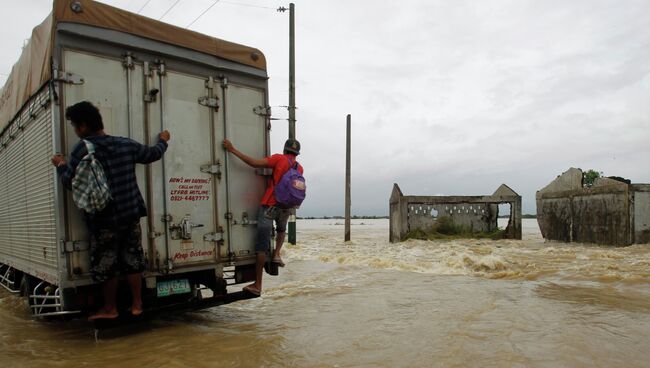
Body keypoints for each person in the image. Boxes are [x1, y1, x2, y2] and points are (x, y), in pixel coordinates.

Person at [51, 101, 170, 320]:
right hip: (130, 214)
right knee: (133, 261)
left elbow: (70, 182)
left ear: (84, 126)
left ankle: (110, 309)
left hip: (103, 219)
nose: (76, 131)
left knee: (108, 266)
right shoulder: (125, 144)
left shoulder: (82, 148)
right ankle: (137, 305)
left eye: (75, 127)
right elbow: (152, 154)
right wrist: (163, 141)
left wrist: (60, 164)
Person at [222, 138, 303, 296]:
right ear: (297, 153)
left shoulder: (279, 158)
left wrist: (233, 150)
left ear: (285, 149)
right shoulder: (299, 168)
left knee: (261, 246)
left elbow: (254, 163)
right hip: (286, 207)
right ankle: (277, 254)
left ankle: (258, 285)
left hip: (270, 204)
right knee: (281, 229)